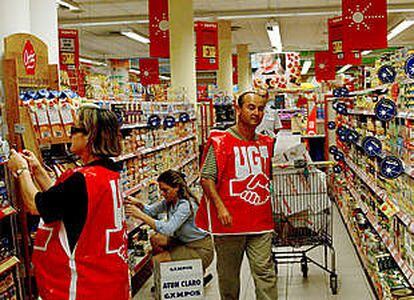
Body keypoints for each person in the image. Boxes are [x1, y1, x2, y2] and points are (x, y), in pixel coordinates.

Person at [7, 105, 129, 299]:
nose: (69, 134)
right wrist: (38, 170)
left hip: (81, 287)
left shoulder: (81, 180)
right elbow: (67, 203)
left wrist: (21, 170)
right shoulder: (107, 173)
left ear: (89, 136)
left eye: (74, 129)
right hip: (108, 282)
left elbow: (34, 204)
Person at [196, 91, 278, 300]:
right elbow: (207, 178)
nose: (256, 113)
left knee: (265, 272)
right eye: (251, 107)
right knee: (229, 277)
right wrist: (220, 207)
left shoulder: (265, 143)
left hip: (260, 221)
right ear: (238, 109)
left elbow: (265, 178)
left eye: (261, 108)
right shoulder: (221, 142)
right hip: (230, 224)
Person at [125, 169, 214, 275]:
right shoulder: (170, 201)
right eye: (160, 190)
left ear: (176, 188)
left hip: (199, 248)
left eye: (165, 190)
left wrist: (140, 215)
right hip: (183, 242)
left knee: (156, 261)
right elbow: (151, 211)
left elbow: (168, 229)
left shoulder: (185, 205)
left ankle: (178, 274)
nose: (162, 194)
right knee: (155, 239)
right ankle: (173, 272)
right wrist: (138, 203)